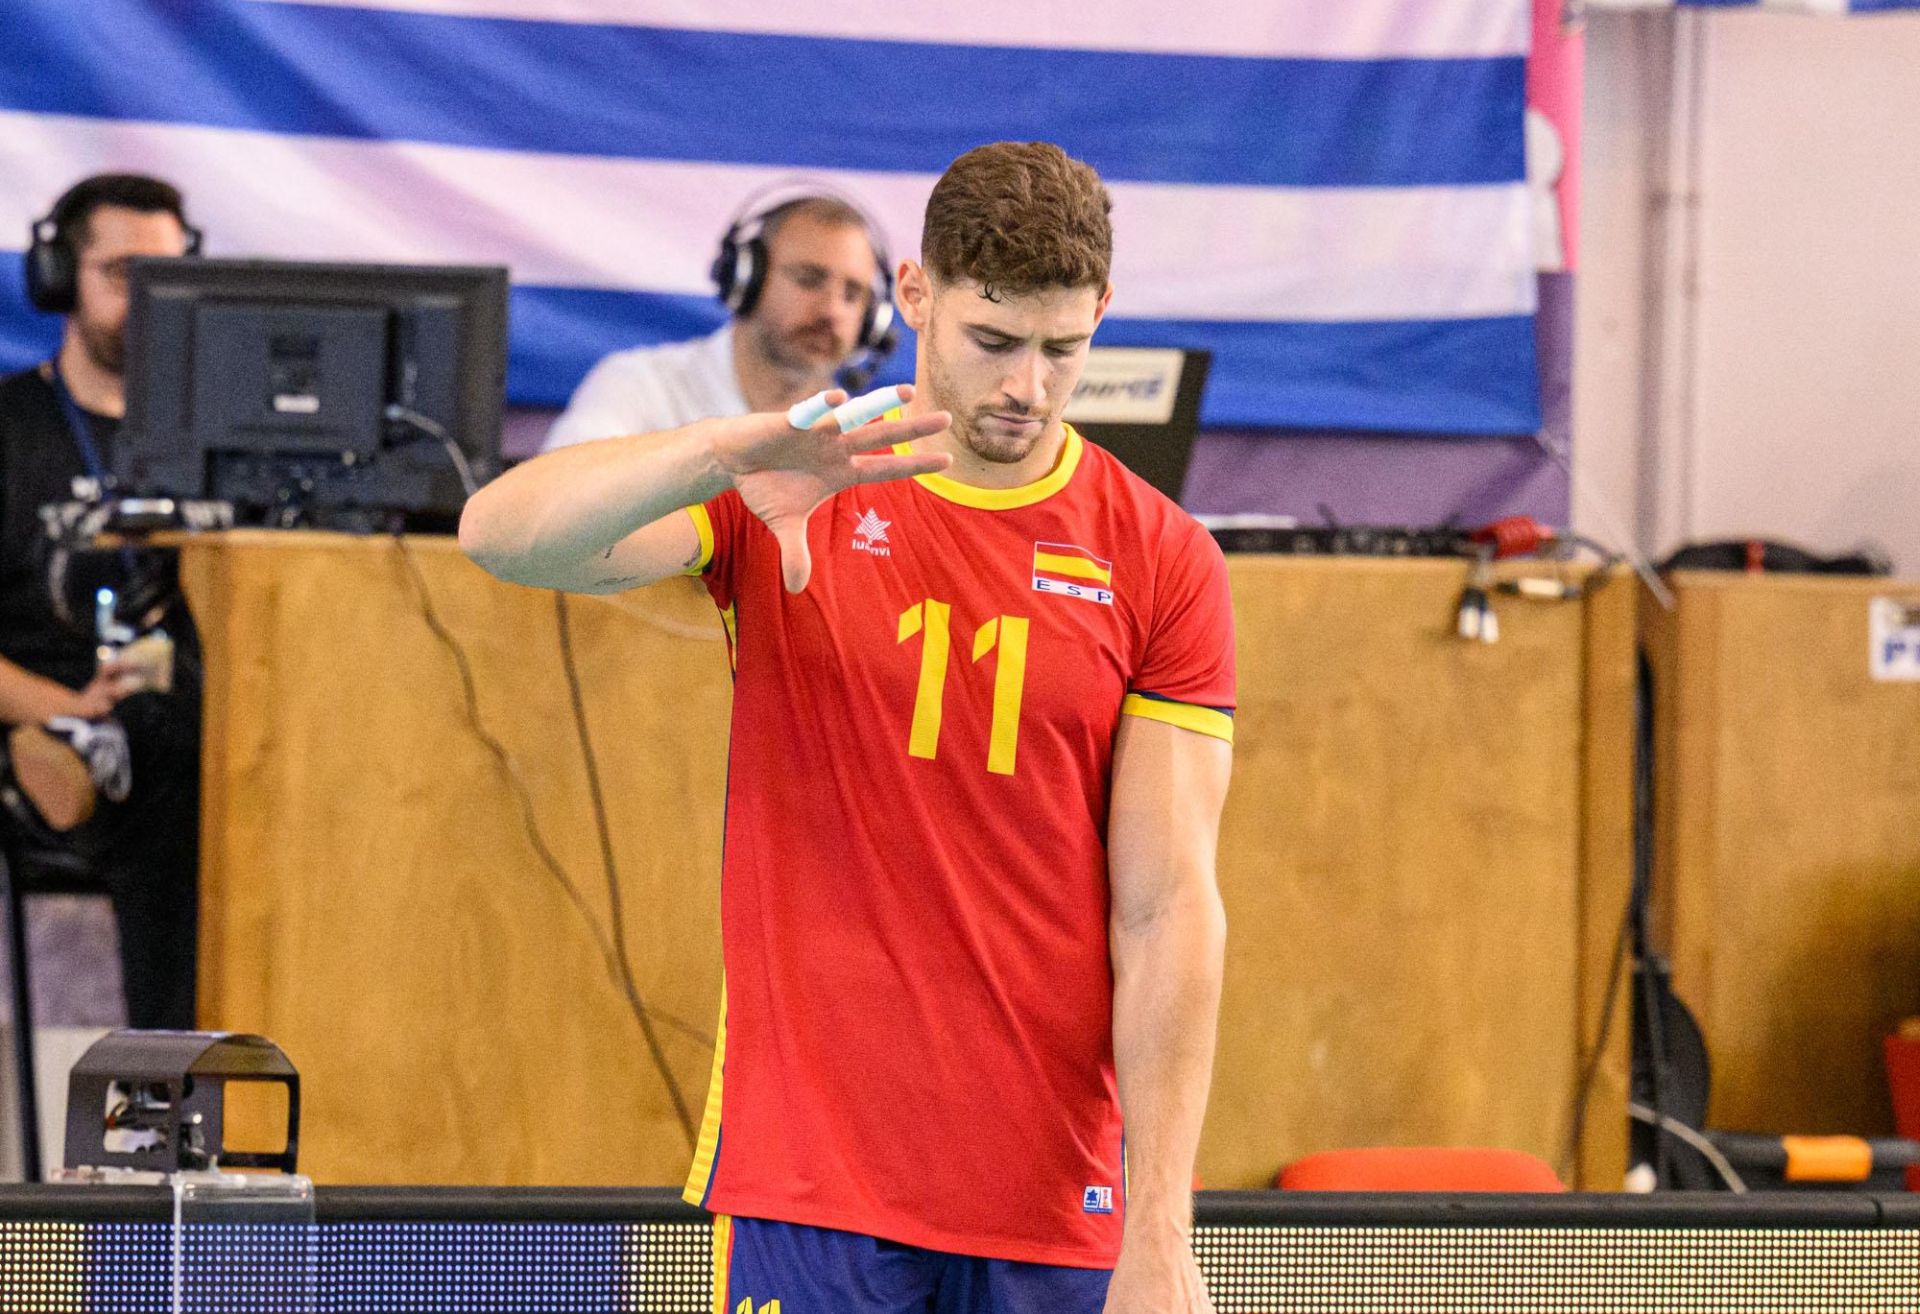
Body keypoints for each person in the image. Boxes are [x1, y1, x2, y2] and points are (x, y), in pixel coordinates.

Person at [462, 141, 1235, 1314]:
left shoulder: (1162, 557)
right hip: (811, 1177)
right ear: (916, 295)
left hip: (1057, 1195)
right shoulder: (799, 472)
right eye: (993, 343)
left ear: (1103, 318)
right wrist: (726, 450)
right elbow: (504, 537)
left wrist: (1163, 1226)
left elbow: (1168, 905)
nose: (1026, 386)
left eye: (1062, 349)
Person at [0, 173, 204, 1030]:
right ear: (58, 278)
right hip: (47, 699)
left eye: (163, 276)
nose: (145, 300)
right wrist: (59, 704)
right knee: (162, 753)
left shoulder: (212, 436)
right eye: (123, 274)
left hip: (185, 711)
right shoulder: (10, 426)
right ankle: (173, 1086)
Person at [542, 185, 899, 450]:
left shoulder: (862, 439)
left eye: (853, 294)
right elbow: (551, 510)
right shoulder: (639, 389)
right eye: (808, 279)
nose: (832, 310)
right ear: (746, 279)